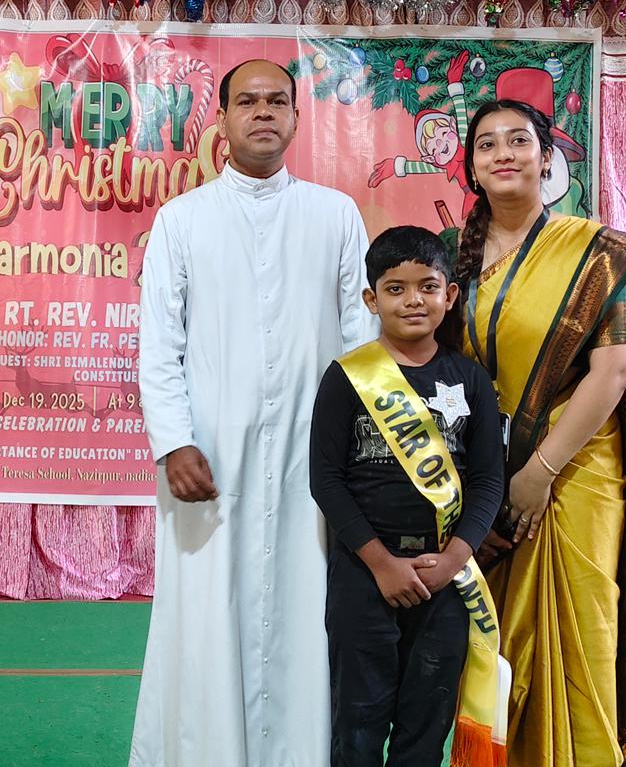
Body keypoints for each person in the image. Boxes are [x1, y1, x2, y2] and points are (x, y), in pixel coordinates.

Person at [130, 59, 377, 767]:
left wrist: (359, 449)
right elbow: (159, 345)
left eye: (277, 101)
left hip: (314, 456)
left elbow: (362, 339)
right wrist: (174, 442)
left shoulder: (334, 214)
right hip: (208, 456)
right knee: (204, 616)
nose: (263, 112)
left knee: (306, 611)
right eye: (248, 101)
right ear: (222, 118)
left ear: (297, 118)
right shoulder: (181, 220)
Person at [444, 99, 626, 766]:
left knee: (580, 643)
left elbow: (616, 368)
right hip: (488, 484)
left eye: (519, 141)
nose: (504, 154)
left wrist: (539, 472)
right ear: (473, 167)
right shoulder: (458, 259)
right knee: (494, 651)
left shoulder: (594, 254)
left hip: (575, 475)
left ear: (548, 159)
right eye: (488, 145)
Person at [311, 226, 506, 767]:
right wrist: (379, 564)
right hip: (364, 575)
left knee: (427, 725)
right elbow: (325, 480)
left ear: (450, 295)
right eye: (395, 289)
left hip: (444, 576)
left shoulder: (470, 380)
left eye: (427, 286)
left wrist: (454, 558)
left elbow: (490, 480)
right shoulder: (346, 379)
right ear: (372, 299)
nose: (413, 300)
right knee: (358, 721)